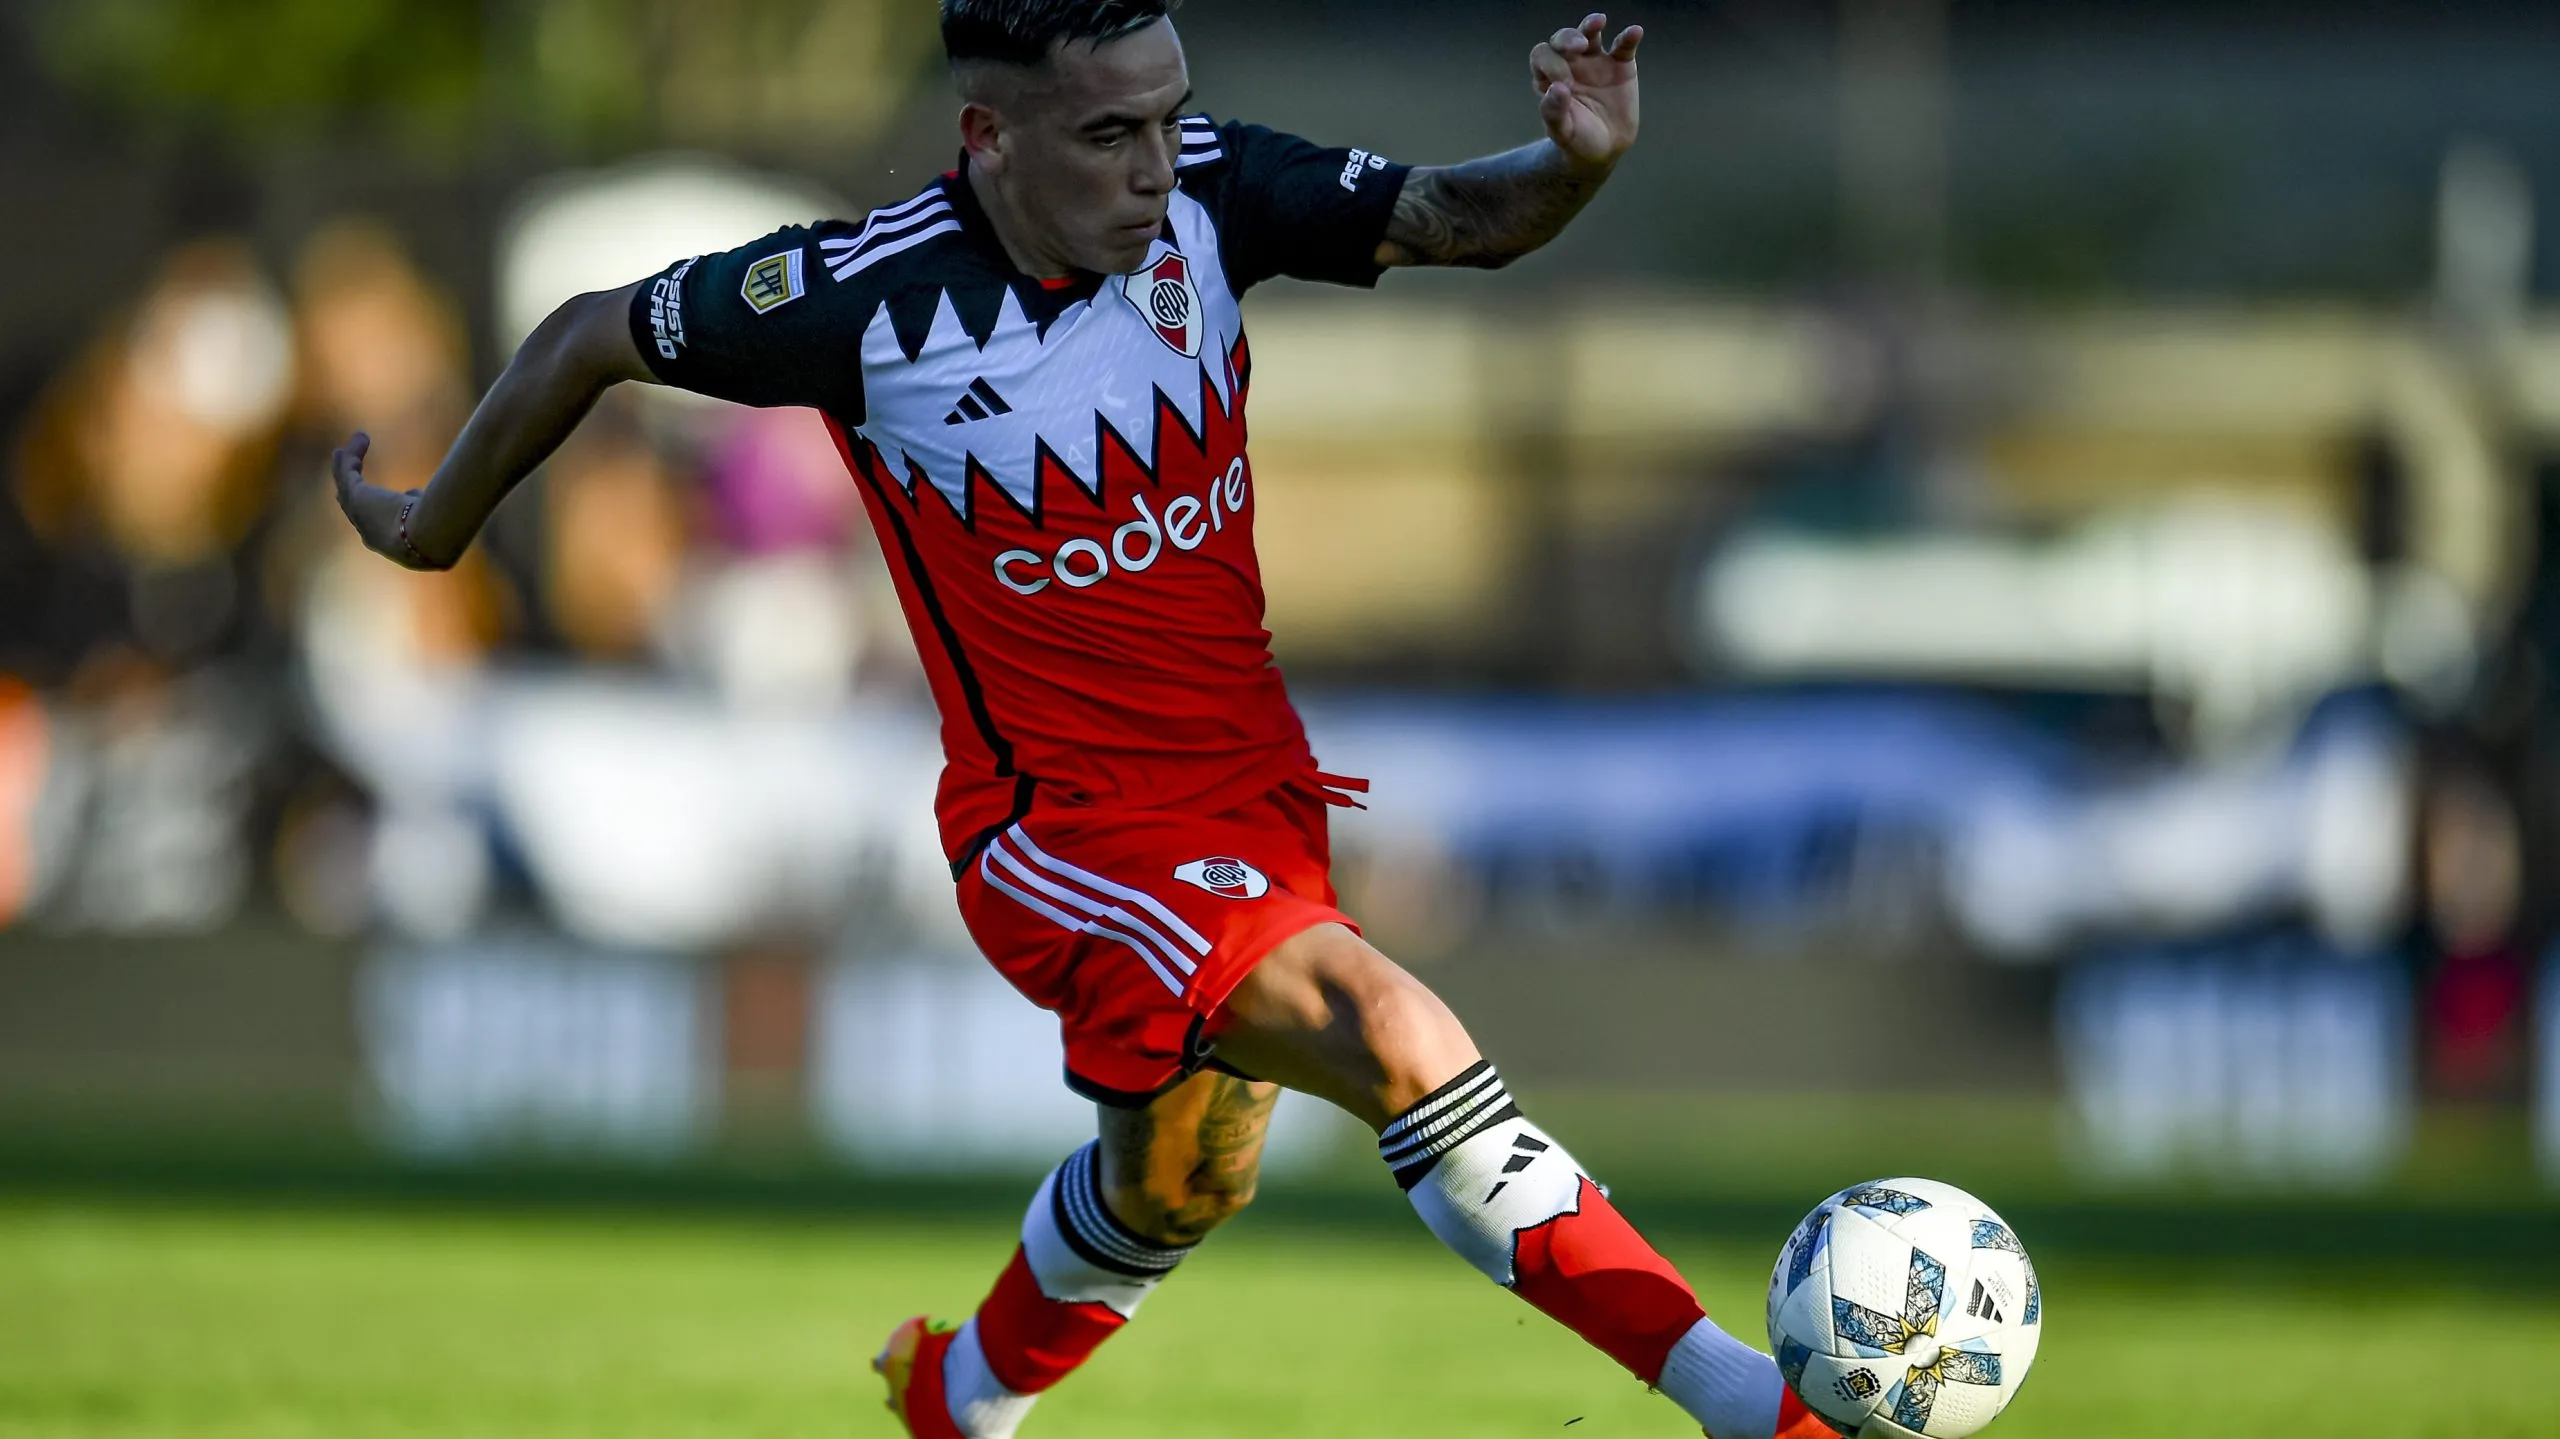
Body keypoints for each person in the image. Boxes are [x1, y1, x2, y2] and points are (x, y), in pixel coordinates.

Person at [332, 5, 1830, 1436]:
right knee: (1390, 1027)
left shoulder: (1218, 197)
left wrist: (1573, 162)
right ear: (991, 133)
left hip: (1257, 799)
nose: (1156, 166)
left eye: (1170, 119)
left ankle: (957, 1397)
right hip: (1063, 828)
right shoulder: (859, 298)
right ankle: (1744, 1403)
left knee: (1182, 1184)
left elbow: (1457, 215)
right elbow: (592, 331)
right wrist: (432, 528)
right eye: (1113, 134)